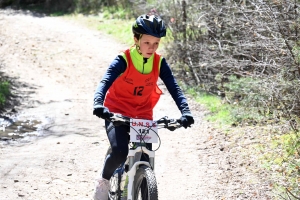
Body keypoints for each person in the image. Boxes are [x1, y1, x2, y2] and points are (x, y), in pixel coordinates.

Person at [92, 14, 194, 200]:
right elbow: (105, 81)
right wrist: (98, 103)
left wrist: (185, 111)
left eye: (156, 43)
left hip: (142, 115)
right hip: (117, 112)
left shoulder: (159, 62)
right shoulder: (123, 59)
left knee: (146, 157)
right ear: (136, 39)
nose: (152, 48)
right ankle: (104, 182)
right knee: (120, 151)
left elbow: (174, 88)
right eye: (147, 43)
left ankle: (141, 184)